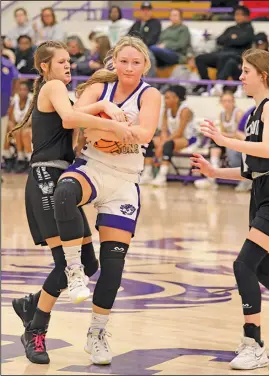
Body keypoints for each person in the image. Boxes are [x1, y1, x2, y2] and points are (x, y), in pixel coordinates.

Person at [9, 40, 136, 365]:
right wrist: (109, 114)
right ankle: (36, 329)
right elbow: (69, 119)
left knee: (88, 264)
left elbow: (77, 115)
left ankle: (33, 305)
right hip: (45, 179)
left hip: (62, 181)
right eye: (61, 61)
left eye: (69, 61)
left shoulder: (60, 91)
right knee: (67, 265)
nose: (67, 65)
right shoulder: (51, 87)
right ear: (45, 67)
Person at [51, 35, 161, 365]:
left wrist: (99, 127)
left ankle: (96, 333)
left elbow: (145, 135)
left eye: (136, 62)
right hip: (93, 166)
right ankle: (74, 271)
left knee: (113, 266)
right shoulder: (100, 88)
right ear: (114, 61)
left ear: (145, 65)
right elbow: (70, 119)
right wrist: (107, 114)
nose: (129, 67)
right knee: (65, 192)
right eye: (124, 61)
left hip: (125, 181)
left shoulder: (150, 94)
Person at [190, 48, 269, 370]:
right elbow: (253, 168)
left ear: (263, 76)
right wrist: (215, 173)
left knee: (244, 265)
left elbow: (268, 149)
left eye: (245, 71)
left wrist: (225, 140)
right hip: (262, 192)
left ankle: (253, 343)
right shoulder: (254, 114)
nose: (240, 77)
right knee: (264, 269)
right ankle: (252, 343)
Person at [194, 91, 252, 192]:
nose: (227, 103)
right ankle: (212, 175)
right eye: (224, 101)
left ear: (234, 102)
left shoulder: (238, 113)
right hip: (228, 141)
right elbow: (224, 132)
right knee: (213, 141)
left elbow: (239, 133)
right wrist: (220, 136)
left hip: (240, 141)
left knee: (218, 140)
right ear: (221, 102)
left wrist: (222, 136)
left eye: (229, 101)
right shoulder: (221, 114)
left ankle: (245, 179)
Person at [141, 85, 195, 186]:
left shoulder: (185, 111)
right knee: (149, 142)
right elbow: (164, 130)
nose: (165, 100)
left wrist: (162, 145)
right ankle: (147, 174)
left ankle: (162, 176)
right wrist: (162, 141)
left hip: (188, 139)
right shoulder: (166, 110)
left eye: (168, 98)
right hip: (173, 138)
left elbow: (179, 132)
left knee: (167, 145)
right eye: (165, 97)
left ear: (177, 99)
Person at [3, 81, 33, 173]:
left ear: (28, 91)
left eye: (24, 89)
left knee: (23, 132)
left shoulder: (31, 100)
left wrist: (19, 127)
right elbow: (11, 119)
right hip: (18, 127)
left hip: (29, 128)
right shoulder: (14, 100)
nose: (22, 91)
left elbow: (30, 121)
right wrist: (13, 125)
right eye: (20, 89)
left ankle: (29, 160)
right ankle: (14, 157)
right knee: (9, 128)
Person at [1, 46, 19, 181]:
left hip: (3, 110)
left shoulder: (8, 65)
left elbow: (16, 80)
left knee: (1, 140)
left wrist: (12, 98)